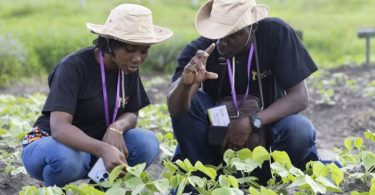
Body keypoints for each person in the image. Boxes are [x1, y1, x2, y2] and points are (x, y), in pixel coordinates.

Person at [167, 0, 319, 183]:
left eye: (232, 35)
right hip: (218, 135)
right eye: (219, 33)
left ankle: (268, 179)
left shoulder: (275, 33)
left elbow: (300, 97)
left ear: (253, 27)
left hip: (268, 128)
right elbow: (176, 110)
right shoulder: (200, 50)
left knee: (299, 131)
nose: (222, 42)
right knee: (193, 101)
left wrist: (253, 122)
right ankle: (208, 178)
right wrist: (186, 85)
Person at [21, 4, 172, 187]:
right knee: (67, 159)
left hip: (97, 146)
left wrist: (116, 128)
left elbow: (131, 113)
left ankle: (101, 189)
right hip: (53, 144)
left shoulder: (128, 68)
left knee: (146, 143)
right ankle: (51, 189)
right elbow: (59, 128)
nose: (138, 58)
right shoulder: (73, 67)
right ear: (109, 44)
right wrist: (104, 148)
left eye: (144, 51)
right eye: (130, 50)